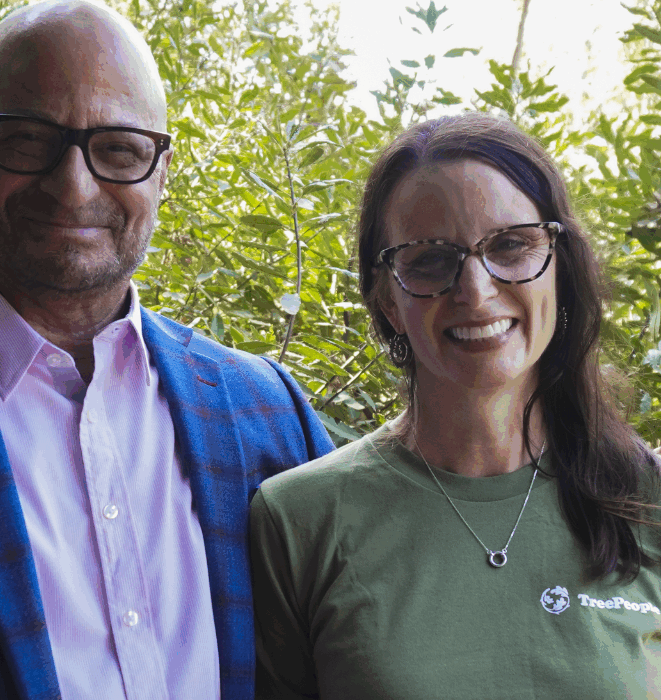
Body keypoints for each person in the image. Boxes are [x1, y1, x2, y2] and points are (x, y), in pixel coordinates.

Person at [0, 2, 334, 698]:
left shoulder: (267, 415)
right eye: (28, 140)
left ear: (161, 171)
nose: (73, 186)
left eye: (119, 149)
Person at [250, 113, 661, 699]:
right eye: (430, 259)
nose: (476, 290)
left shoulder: (646, 497)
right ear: (387, 300)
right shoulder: (299, 519)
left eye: (511, 245)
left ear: (560, 268)